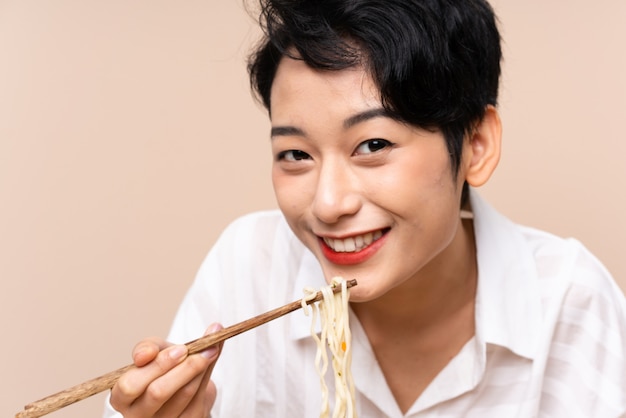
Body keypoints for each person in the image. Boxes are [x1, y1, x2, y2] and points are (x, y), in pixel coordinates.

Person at [104, 0, 626, 416]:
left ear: (475, 145)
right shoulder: (249, 265)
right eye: (296, 154)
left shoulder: (567, 303)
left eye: (373, 145)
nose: (328, 204)